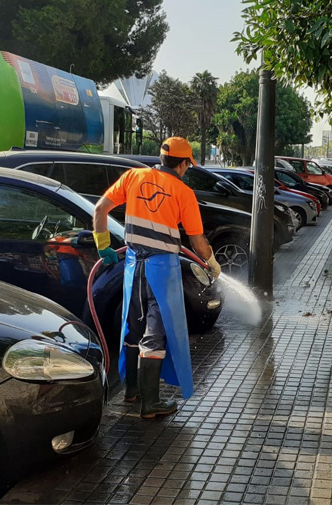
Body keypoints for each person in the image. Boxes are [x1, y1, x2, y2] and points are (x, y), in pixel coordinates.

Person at [92, 137, 222, 419]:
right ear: (184, 163)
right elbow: (197, 242)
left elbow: (100, 208)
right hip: (161, 270)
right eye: (188, 164)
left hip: (132, 267)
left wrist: (103, 246)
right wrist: (211, 262)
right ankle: (150, 404)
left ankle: (131, 391)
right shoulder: (183, 192)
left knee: (132, 326)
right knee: (155, 331)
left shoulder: (133, 176)